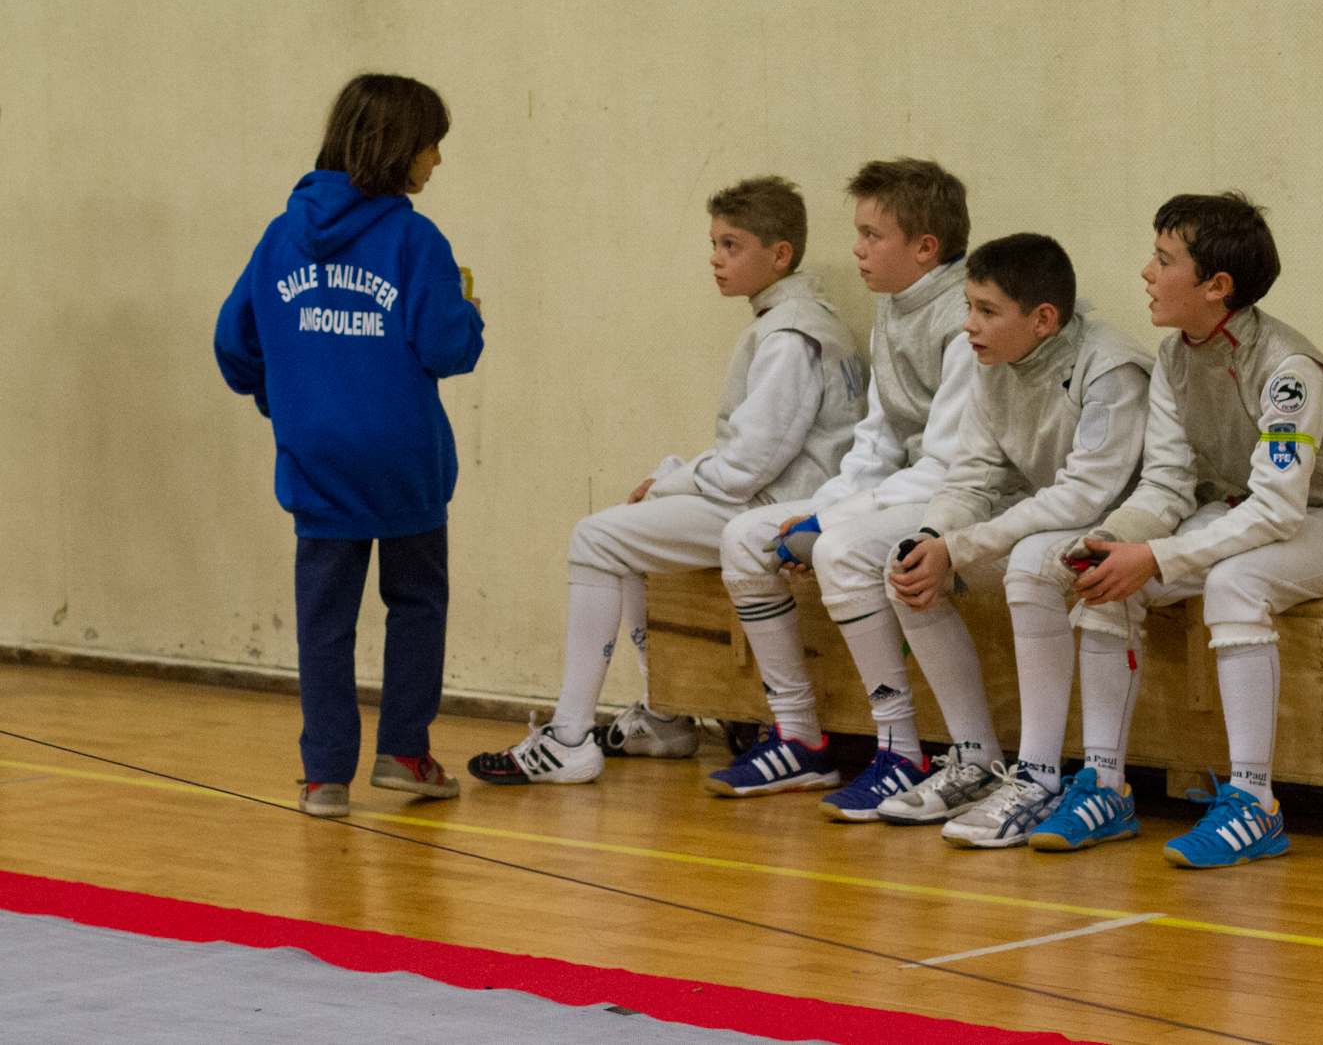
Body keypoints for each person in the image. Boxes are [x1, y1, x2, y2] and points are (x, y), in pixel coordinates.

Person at [466, 176, 865, 785]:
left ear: (779, 254)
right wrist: (675, 473)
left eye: (732, 245)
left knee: (595, 537)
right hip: (771, 495)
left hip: (778, 510)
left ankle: (569, 737)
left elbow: (744, 470)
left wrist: (668, 484)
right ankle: (667, 717)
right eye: (714, 243)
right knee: (623, 539)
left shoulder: (790, 336)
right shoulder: (794, 320)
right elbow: (754, 451)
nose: (716, 258)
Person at [1069, 191, 1323, 867]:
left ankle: (1255, 805)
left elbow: (1279, 510)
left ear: (1216, 285)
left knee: (1235, 582)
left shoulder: (1289, 370)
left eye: (1164, 260)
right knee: (1108, 578)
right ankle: (1104, 786)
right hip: (1247, 507)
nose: (1146, 273)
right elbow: (1166, 483)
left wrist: (1157, 556)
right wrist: (1115, 539)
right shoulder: (1174, 357)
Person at [214, 74, 485, 818]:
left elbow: (233, 345)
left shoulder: (281, 236)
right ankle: (404, 754)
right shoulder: (414, 239)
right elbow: (447, 347)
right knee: (417, 601)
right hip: (403, 460)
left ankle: (323, 777)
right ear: (397, 148)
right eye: (431, 145)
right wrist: (469, 312)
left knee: (324, 621)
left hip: (318, 459)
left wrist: (285, 402)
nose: (437, 160)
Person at [711, 159, 975, 817]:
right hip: (905, 488)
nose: (856, 249)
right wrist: (828, 505)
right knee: (745, 536)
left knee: (838, 549)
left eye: (871, 235)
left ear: (925, 246)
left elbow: (949, 463)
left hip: (958, 496)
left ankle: (901, 750)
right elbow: (877, 441)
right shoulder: (893, 308)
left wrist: (831, 524)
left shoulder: (965, 315)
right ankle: (799, 736)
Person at [883, 233, 1152, 847]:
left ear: (1043, 320)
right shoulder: (993, 363)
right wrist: (933, 537)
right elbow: (973, 475)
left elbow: (1086, 496)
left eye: (986, 310)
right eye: (968, 306)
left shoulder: (1111, 368)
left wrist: (962, 548)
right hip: (1055, 519)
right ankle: (975, 758)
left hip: (1126, 525)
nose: (969, 324)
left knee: (1030, 562)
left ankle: (1039, 776)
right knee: (905, 563)